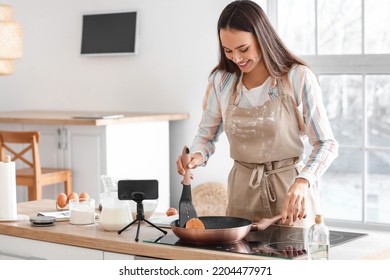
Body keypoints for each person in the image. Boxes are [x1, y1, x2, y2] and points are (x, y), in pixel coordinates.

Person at [176, 0, 338, 227]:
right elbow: (206, 136)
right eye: (228, 50)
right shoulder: (222, 81)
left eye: (243, 49)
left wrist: (303, 181)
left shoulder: (297, 78)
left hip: (290, 193)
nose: (237, 58)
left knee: (292, 258)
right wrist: (196, 156)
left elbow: (326, 144)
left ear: (262, 39)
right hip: (241, 192)